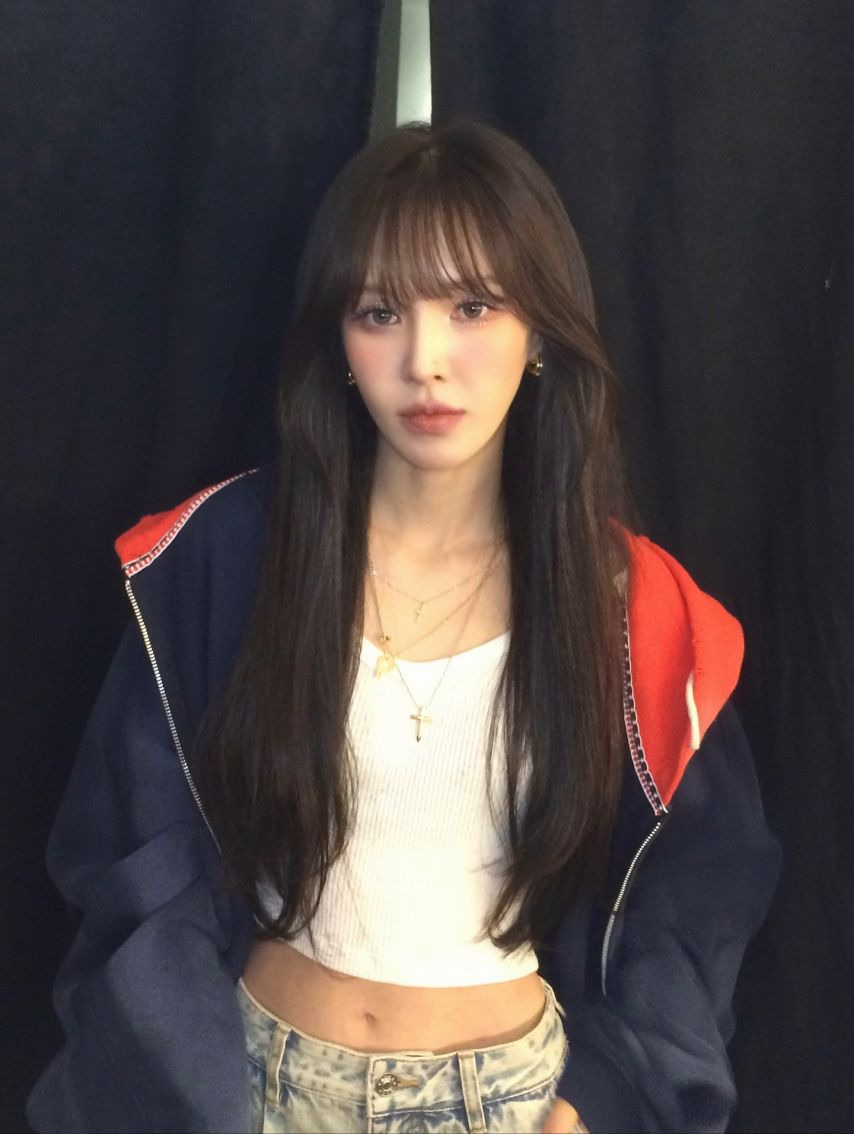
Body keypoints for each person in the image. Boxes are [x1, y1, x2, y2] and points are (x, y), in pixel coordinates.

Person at [28, 121, 780, 1134]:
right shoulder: (215, 560)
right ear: (339, 341)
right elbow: (126, 853)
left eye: (472, 306)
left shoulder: (635, 609)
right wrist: (189, 1088)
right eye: (380, 312)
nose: (425, 362)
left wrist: (599, 1100)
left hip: (515, 1107)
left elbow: (700, 890)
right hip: (249, 1090)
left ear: (540, 331)